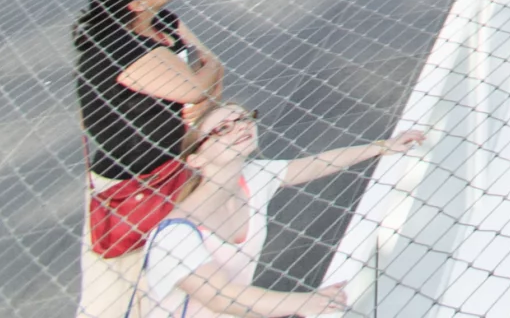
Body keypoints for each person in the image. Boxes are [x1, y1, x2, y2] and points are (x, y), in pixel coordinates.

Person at [136, 100, 424, 318]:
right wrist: (305, 301)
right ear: (195, 159)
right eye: (223, 128)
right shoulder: (174, 234)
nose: (241, 126)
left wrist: (382, 147)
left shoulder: (252, 177)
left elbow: (315, 164)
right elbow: (221, 296)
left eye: (244, 118)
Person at [75, 0, 226, 318]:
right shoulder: (118, 47)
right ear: (136, 4)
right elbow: (194, 85)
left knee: (178, 267)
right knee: (119, 283)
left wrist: (206, 82)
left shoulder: (165, 24)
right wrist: (206, 79)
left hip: (175, 162)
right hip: (129, 183)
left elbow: (207, 79)